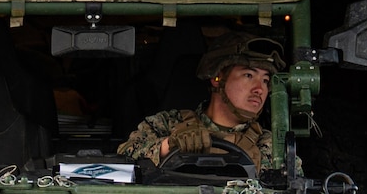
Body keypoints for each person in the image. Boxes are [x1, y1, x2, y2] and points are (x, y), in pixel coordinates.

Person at [118, 30, 284, 170]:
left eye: (265, 80)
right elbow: (124, 157)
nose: (259, 89)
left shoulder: (271, 144)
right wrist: (169, 145)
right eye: (248, 75)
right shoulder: (167, 124)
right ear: (217, 78)